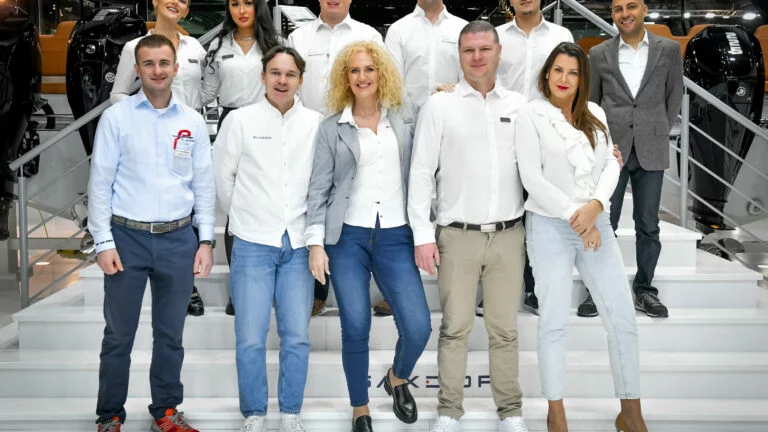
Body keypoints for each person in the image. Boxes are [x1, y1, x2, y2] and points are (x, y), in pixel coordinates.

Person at [515, 41, 647, 432]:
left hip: (596, 221)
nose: (564, 78)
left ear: (582, 78)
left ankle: (631, 412)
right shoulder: (531, 115)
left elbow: (611, 164)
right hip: (549, 225)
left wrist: (595, 208)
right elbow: (532, 178)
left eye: (573, 72)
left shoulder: (595, 113)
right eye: (558, 70)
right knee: (554, 320)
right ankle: (556, 412)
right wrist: (579, 217)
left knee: (621, 316)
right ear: (547, 74)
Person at [89, 34, 215, 432]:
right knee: (118, 335)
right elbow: (99, 184)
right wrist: (103, 241)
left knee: (170, 335)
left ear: (176, 68)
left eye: (164, 63)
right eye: (149, 63)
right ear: (137, 69)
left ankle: (166, 409)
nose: (157, 71)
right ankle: (110, 414)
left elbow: (204, 185)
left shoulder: (192, 121)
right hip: (127, 239)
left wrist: (206, 240)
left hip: (178, 240)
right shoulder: (117, 118)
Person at [408, 21, 529, 432]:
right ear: (458, 55)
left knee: (505, 330)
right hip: (456, 236)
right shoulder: (439, 106)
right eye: (468, 50)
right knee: (454, 328)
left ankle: (510, 412)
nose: (477, 57)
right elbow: (421, 172)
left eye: (484, 49)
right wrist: (422, 234)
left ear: (498, 52)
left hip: (509, 236)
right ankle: (448, 412)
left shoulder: (519, 106)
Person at [305, 41, 431, 432]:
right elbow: (318, 189)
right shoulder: (331, 128)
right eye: (355, 70)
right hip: (347, 239)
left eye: (369, 69)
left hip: (395, 235)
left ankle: (397, 377)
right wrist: (315, 243)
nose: (363, 77)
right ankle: (360, 407)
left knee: (419, 326)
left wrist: (444, 92)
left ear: (381, 74)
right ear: (346, 78)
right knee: (356, 325)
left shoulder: (405, 117)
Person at [215, 46, 320, 432]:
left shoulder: (315, 123)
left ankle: (291, 411)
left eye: (290, 74)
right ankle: (254, 413)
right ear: (263, 77)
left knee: (296, 337)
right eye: (275, 73)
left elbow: (320, 183)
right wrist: (246, 217)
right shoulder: (240, 121)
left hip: (298, 245)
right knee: (250, 337)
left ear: (301, 81)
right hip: (252, 243)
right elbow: (222, 178)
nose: (282, 80)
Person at [110, 0, 208, 317]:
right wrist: (142, 123)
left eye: (183, 0)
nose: (175, 2)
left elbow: (205, 93)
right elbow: (118, 93)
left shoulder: (196, 48)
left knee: (188, 203)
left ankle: (186, 284)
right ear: (154, 1)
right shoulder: (135, 48)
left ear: (188, 9)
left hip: (187, 139)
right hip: (149, 140)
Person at [587, 0, 683, 318]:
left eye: (631, 6)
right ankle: (598, 289)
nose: (624, 13)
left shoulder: (669, 50)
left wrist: (658, 128)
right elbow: (592, 103)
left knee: (648, 225)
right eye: (618, 9)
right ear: (612, 14)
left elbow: (674, 94)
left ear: (644, 9)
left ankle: (644, 290)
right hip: (610, 151)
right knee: (604, 223)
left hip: (651, 148)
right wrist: (599, 146)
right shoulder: (599, 53)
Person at [287, 0, 383, 316]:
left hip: (356, 137)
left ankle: (383, 285)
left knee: (364, 208)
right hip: (311, 137)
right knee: (315, 207)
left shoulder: (368, 35)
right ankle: (318, 290)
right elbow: (291, 85)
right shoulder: (299, 37)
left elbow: (382, 83)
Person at [374, 0, 466, 316]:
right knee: (404, 208)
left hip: (452, 128)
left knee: (451, 204)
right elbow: (390, 83)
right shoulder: (399, 30)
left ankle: (455, 287)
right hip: (407, 128)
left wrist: (448, 98)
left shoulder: (461, 29)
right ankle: (398, 291)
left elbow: (470, 78)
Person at [483, 0, 573, 318]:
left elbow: (571, 89)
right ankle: (496, 290)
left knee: (540, 217)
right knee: (501, 216)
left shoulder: (560, 36)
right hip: (501, 135)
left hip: (544, 137)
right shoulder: (495, 36)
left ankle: (536, 288)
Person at [201, 0, 281, 316]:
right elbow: (206, 93)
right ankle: (241, 292)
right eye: (235, 3)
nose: (242, 10)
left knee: (271, 204)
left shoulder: (275, 43)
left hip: (269, 122)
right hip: (231, 123)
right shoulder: (217, 45)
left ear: (258, 7)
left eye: (248, 2)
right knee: (236, 209)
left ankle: (274, 286)